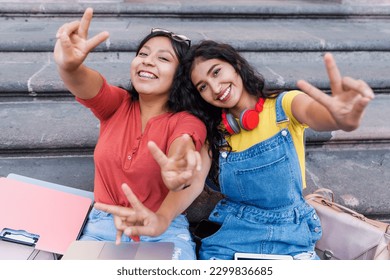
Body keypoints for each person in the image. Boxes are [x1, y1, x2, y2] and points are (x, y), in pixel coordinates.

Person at [175, 40, 374, 260]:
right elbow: (192, 185)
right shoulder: (216, 133)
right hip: (232, 236)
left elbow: (317, 115)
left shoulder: (285, 105)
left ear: (236, 65)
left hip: (292, 234)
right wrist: (162, 216)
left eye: (216, 72)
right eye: (202, 86)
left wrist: (340, 118)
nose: (215, 87)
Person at [53, 7, 209, 260]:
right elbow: (85, 82)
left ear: (180, 76)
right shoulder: (117, 104)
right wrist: (69, 67)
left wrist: (179, 167)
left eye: (163, 58)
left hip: (162, 229)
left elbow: (184, 145)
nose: (147, 60)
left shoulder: (186, 121)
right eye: (143, 54)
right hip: (102, 228)